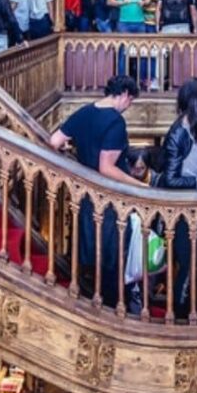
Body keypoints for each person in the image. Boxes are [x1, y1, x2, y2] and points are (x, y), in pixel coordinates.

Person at [49, 75, 142, 306]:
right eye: (130, 101)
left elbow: (54, 141)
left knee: (92, 253)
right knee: (113, 258)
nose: (128, 106)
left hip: (85, 196)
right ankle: (113, 307)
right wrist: (139, 185)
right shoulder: (115, 122)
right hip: (109, 200)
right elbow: (106, 168)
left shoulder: (85, 112)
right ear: (124, 95)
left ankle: (92, 301)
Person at [157, 78, 197, 315]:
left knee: (193, 261)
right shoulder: (178, 134)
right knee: (187, 263)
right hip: (179, 212)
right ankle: (179, 312)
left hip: (195, 207)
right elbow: (170, 179)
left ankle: (186, 309)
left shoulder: (195, 129)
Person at [108, 0, 151, 81]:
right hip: (123, 22)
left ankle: (142, 79)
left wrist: (144, 2)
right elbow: (109, 1)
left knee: (142, 52)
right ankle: (122, 78)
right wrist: (122, 2)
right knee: (123, 52)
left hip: (139, 22)